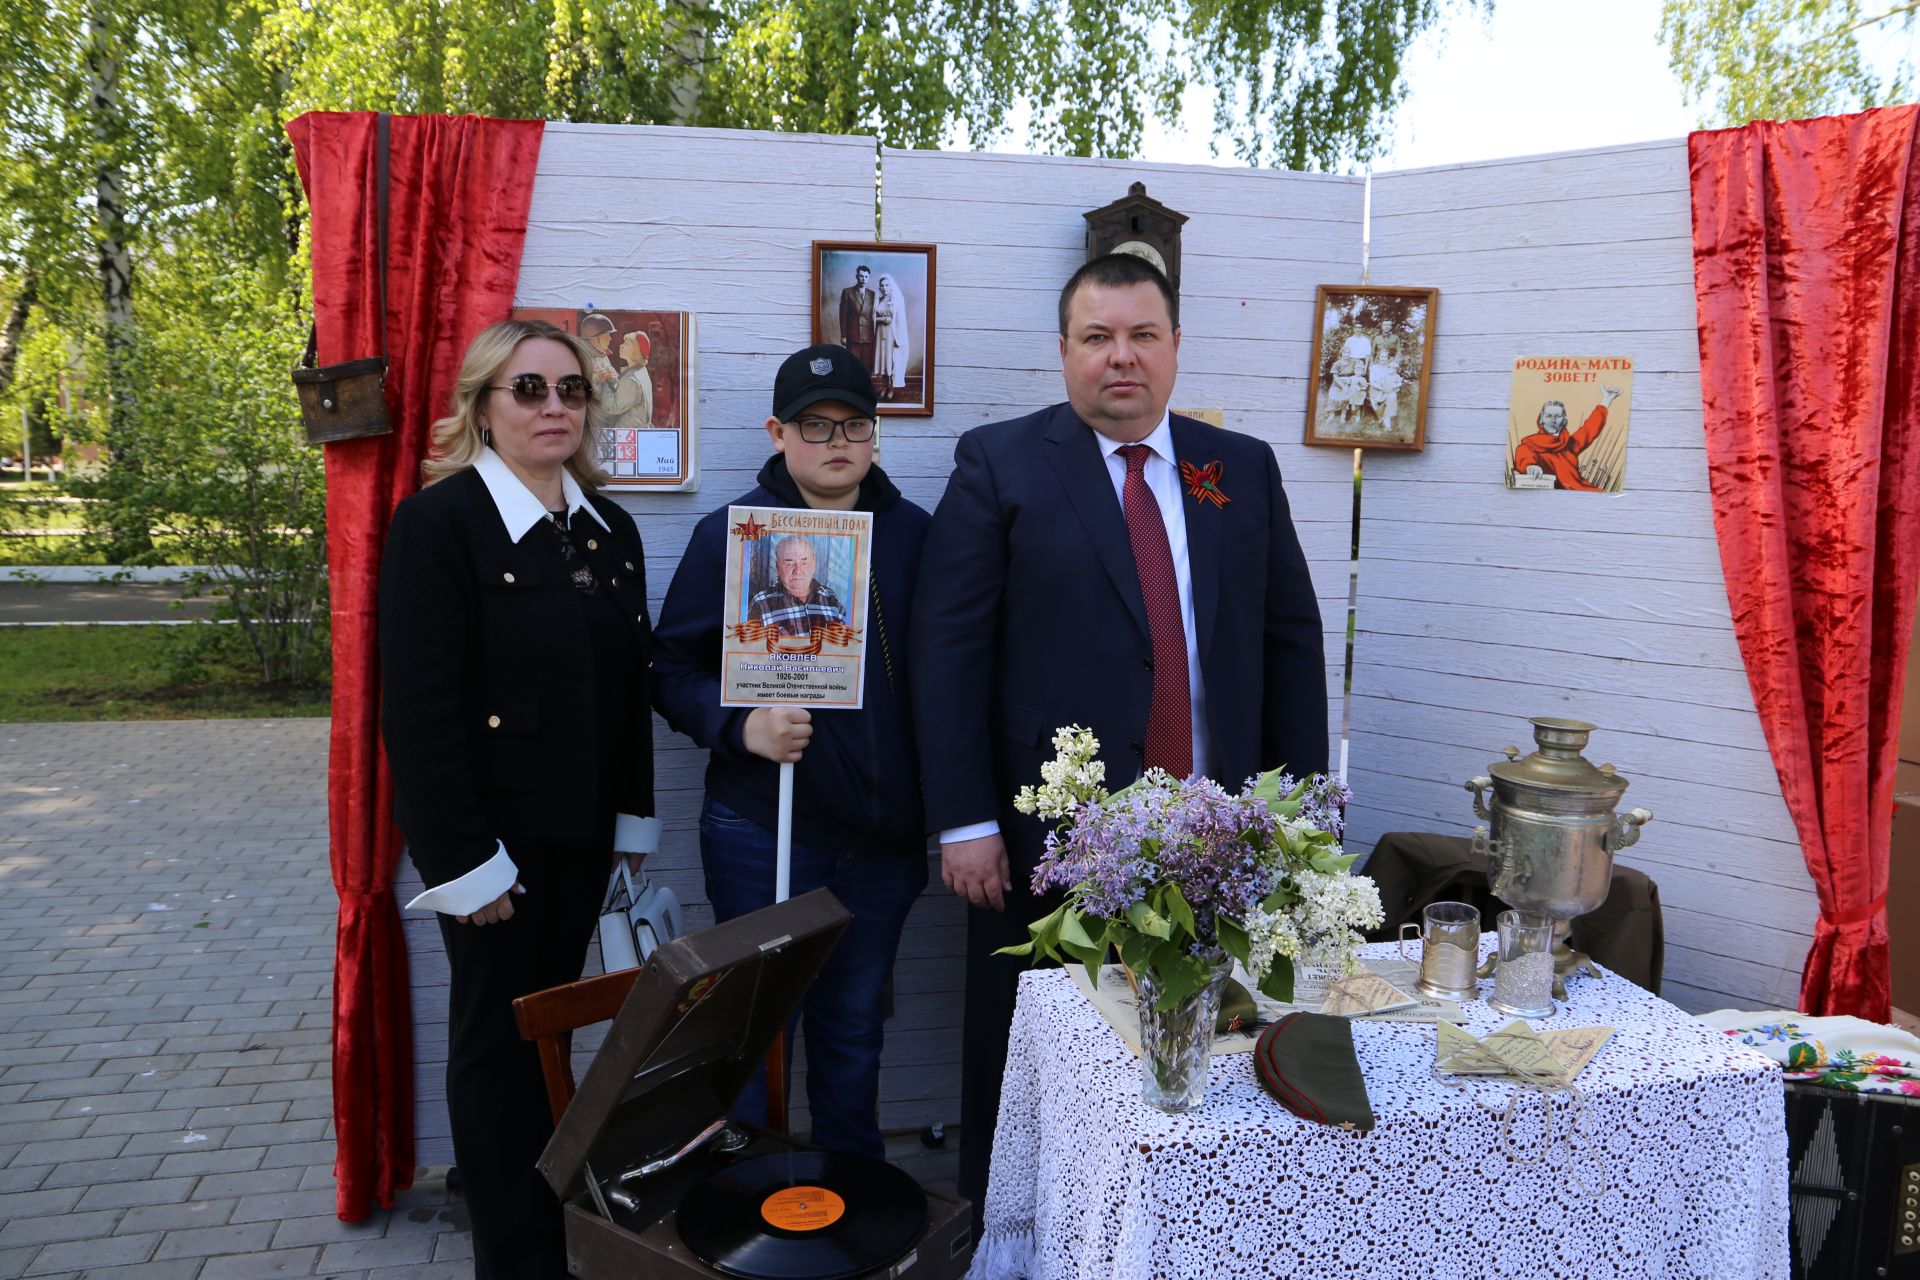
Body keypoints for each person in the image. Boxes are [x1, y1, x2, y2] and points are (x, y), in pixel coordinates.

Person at [910, 253, 1328, 1229]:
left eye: (1142, 335)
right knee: (1030, 1062)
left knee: (1201, 1062)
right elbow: (947, 653)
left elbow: (1290, 642)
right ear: (1063, 353)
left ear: (1176, 346)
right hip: (1050, 845)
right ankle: (1012, 1237)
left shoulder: (1243, 470)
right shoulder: (998, 464)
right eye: (1098, 337)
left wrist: (1292, 814)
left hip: (1215, 837)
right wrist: (964, 818)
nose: (1121, 358)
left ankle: (1164, 1237)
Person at [378, 318, 657, 1280]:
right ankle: (513, 1258)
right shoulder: (439, 525)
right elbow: (418, 716)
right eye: (529, 389)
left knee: (551, 1043)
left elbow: (627, 698)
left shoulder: (609, 531)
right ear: (484, 407)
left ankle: (550, 1227)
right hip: (494, 854)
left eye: (571, 390)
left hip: (580, 844)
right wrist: (463, 863)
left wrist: (631, 823)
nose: (554, 407)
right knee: (497, 1052)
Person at [652, 342, 930, 1158]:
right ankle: (744, 1214)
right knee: (751, 1041)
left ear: (876, 435)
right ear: (778, 432)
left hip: (881, 846)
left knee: (853, 1041)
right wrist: (741, 725)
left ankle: (849, 1212)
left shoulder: (916, 537)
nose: (836, 440)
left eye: (855, 423)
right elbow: (669, 667)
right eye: (815, 425)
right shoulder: (734, 538)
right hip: (762, 833)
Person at [1512, 385, 1623, 490]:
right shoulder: (1530, 445)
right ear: (1541, 420)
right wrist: (1530, 466)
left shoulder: (1568, 444)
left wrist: (1607, 400)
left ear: (1564, 420)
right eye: (1549, 416)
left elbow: (1590, 428)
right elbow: (1524, 455)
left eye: (1558, 416)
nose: (1553, 420)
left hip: (1581, 491)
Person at [747, 534, 847, 635]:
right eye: (789, 563)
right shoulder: (761, 604)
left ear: (813, 565)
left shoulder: (831, 598)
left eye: (804, 563)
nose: (797, 571)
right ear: (777, 567)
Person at [872, 274, 909, 400]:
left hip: (892, 333)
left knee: (891, 361)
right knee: (882, 360)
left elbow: (900, 320)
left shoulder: (896, 300)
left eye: (887, 285)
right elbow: (872, 318)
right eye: (882, 285)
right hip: (879, 333)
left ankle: (891, 388)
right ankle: (884, 386)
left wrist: (899, 336)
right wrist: (882, 319)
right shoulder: (878, 300)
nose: (884, 288)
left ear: (891, 286)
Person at [608, 328, 654, 430]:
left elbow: (612, 407)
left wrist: (603, 382)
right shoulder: (641, 371)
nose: (621, 345)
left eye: (627, 344)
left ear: (636, 350)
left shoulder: (631, 379)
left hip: (627, 435)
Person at [838, 265, 876, 371]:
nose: (863, 279)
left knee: (867, 365)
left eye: (866, 277)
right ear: (856, 276)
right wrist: (843, 335)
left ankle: (865, 386)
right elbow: (843, 315)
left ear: (869, 278)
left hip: (868, 336)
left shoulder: (873, 295)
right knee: (852, 364)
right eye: (861, 276)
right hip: (853, 335)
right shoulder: (847, 292)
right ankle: (853, 387)